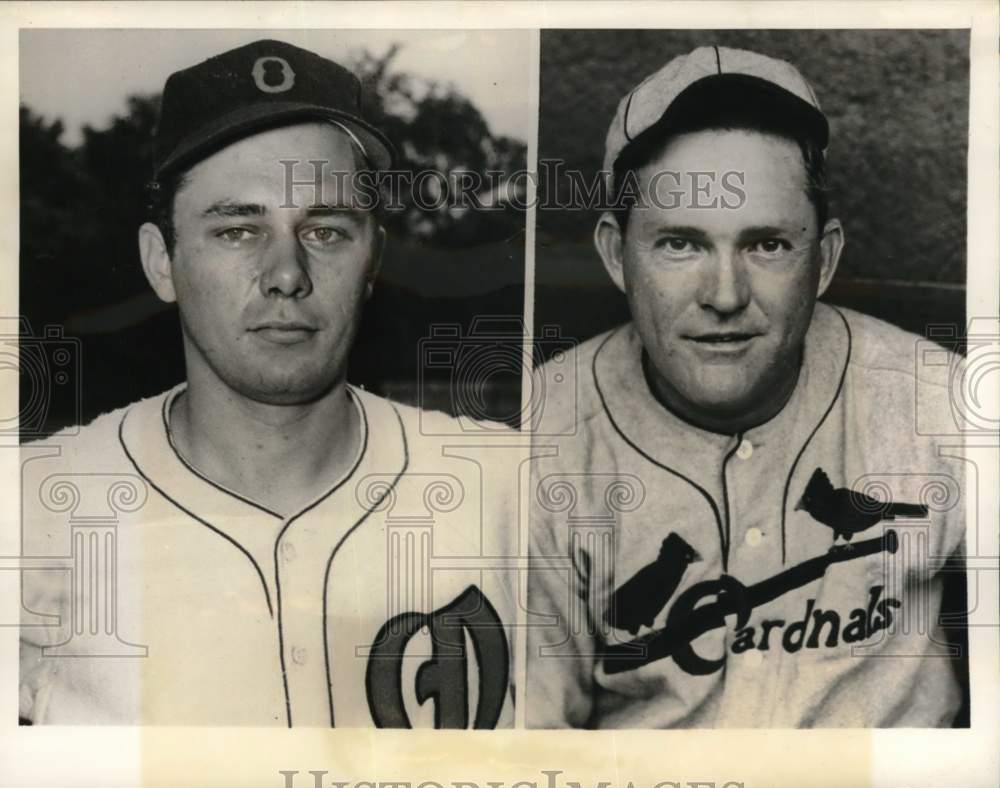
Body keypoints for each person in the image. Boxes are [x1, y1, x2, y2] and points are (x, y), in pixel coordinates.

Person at [19, 39, 517, 727]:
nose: (287, 273)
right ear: (161, 262)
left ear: (372, 256)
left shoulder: (510, 492)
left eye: (326, 231)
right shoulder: (33, 510)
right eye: (237, 231)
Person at [526, 45, 966, 728]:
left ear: (822, 259)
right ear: (618, 254)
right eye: (681, 244)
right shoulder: (537, 441)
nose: (725, 295)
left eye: (767, 244)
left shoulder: (944, 403)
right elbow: (526, 750)